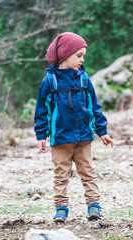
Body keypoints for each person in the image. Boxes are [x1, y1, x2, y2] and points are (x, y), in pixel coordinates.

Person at [34, 32, 114, 223]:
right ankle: (61, 209)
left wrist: (102, 132)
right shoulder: (49, 82)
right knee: (61, 175)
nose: (82, 59)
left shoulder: (84, 79)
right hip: (60, 139)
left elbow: (94, 106)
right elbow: (41, 111)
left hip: (84, 137)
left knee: (88, 172)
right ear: (64, 55)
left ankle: (94, 206)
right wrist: (41, 135)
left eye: (83, 55)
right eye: (78, 55)